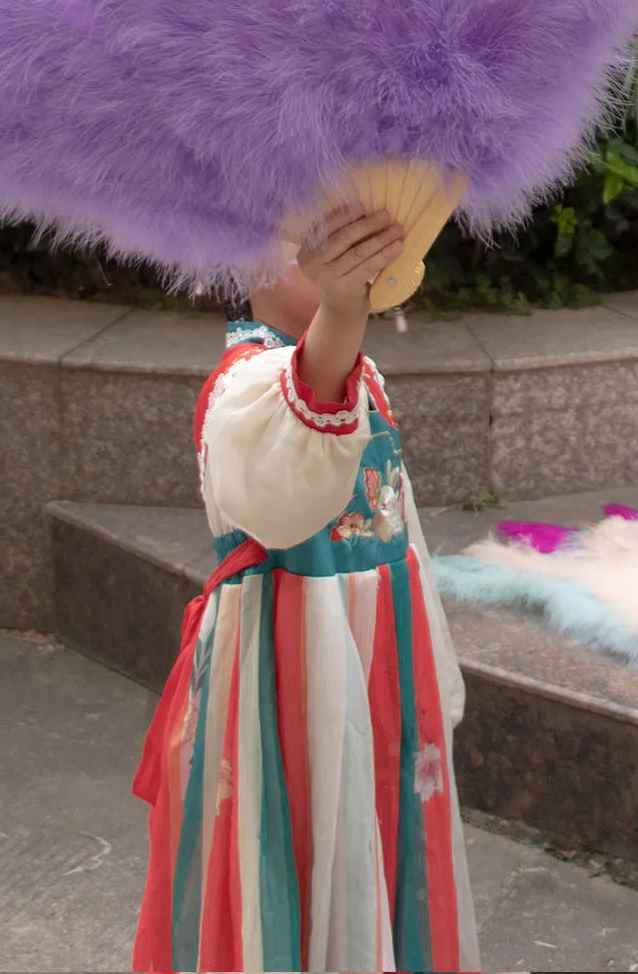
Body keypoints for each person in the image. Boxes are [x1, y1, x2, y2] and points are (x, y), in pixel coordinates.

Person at [132, 204, 478, 974]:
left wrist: (431, 677)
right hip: (290, 676)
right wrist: (343, 314)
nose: (339, 251)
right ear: (241, 261)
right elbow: (285, 494)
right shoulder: (251, 384)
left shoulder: (352, 371)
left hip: (378, 658)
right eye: (309, 237)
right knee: (298, 853)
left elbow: (402, 528)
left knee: (378, 845)